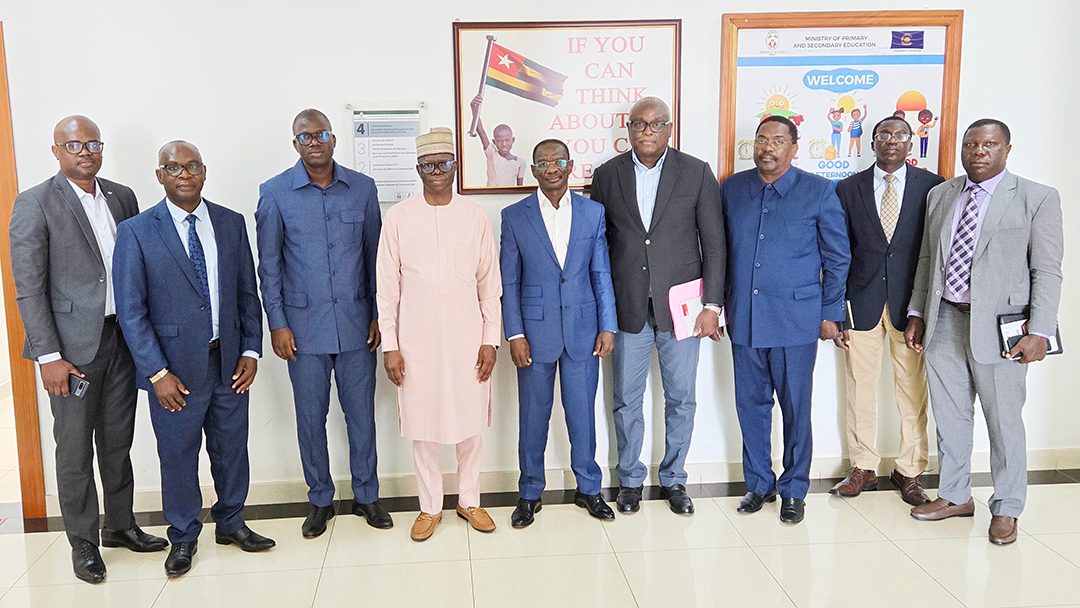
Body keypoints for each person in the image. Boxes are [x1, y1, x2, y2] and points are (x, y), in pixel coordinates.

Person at [8, 115, 167, 584]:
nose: (85, 151)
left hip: (122, 339)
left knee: (117, 441)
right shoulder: (35, 202)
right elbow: (28, 288)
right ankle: (83, 541)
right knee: (74, 449)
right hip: (71, 350)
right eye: (74, 144)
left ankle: (121, 525)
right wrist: (48, 356)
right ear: (56, 150)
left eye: (92, 143)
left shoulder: (122, 197)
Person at [113, 141, 275, 577]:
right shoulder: (136, 231)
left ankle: (232, 522)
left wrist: (250, 349)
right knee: (178, 455)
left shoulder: (230, 222)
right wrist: (156, 372)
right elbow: (131, 311)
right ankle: (183, 535)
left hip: (229, 362)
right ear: (159, 175)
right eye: (173, 167)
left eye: (192, 166)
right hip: (173, 371)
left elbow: (247, 293)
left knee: (231, 449)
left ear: (204, 172)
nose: (184, 174)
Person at [904, 119, 1063, 545]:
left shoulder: (1037, 197)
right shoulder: (941, 194)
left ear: (1007, 149)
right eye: (970, 144)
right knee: (950, 416)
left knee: (1004, 420)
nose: (978, 152)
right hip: (943, 320)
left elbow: (1047, 270)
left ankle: (1007, 506)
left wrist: (1041, 330)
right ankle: (955, 495)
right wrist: (917, 312)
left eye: (989, 144)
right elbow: (927, 258)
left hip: (1001, 329)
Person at [255, 109, 391, 538]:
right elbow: (269, 266)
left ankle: (367, 495)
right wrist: (277, 323)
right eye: (305, 136)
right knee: (311, 418)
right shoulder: (275, 193)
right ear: (295, 143)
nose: (314, 142)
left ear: (334, 139)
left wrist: (378, 314)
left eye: (321, 134)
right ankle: (319, 500)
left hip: (357, 325)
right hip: (302, 330)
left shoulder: (362, 188)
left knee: (361, 416)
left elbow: (376, 258)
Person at [589, 96, 726, 516]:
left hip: (683, 310)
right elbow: (599, 246)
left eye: (655, 124)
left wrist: (713, 305)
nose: (647, 131)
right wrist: (602, 311)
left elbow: (715, 243)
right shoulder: (607, 175)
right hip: (627, 305)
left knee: (681, 398)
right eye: (639, 124)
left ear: (669, 128)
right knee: (626, 399)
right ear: (628, 129)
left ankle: (674, 479)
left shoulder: (696, 172)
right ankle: (630, 480)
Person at [721, 116, 850, 524]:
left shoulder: (818, 191)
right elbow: (719, 250)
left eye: (778, 140)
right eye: (762, 139)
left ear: (794, 147)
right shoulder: (732, 189)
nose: (768, 147)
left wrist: (831, 313)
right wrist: (715, 307)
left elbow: (837, 258)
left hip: (796, 321)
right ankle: (759, 484)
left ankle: (794, 490)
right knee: (750, 406)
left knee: (796, 407)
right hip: (745, 318)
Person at [376, 127, 502, 541]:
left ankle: (470, 501)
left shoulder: (475, 216)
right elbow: (386, 290)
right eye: (428, 165)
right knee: (423, 425)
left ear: (455, 166)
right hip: (416, 343)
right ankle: (429, 507)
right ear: (418, 169)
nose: (437, 172)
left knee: (470, 424)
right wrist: (391, 346)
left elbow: (490, 286)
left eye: (444, 164)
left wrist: (490, 339)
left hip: (468, 340)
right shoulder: (398, 218)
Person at [500, 139, 617, 528]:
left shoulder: (592, 212)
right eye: (543, 162)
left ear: (570, 166)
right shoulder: (514, 216)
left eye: (558, 161)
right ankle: (530, 493)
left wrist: (607, 324)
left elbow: (600, 272)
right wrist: (514, 333)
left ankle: (589, 489)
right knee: (533, 417)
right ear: (533, 170)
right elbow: (509, 281)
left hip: (584, 329)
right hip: (534, 334)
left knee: (582, 415)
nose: (551, 168)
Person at [830, 117, 945, 506]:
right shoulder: (848, 189)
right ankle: (863, 466)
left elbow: (934, 251)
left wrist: (923, 308)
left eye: (900, 135)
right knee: (859, 388)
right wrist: (836, 309)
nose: (891, 140)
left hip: (911, 307)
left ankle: (910, 470)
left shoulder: (933, 187)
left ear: (911, 143)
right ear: (873, 143)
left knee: (912, 390)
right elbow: (837, 251)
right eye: (884, 135)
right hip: (860, 303)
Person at [470, 94, 527, 186]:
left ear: (513, 140)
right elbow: (481, 131)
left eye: (507, 140)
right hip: (491, 194)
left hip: (508, 195)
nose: (504, 144)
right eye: (500, 141)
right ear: (494, 142)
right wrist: (474, 108)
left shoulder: (520, 162)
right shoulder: (492, 154)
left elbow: (520, 188)